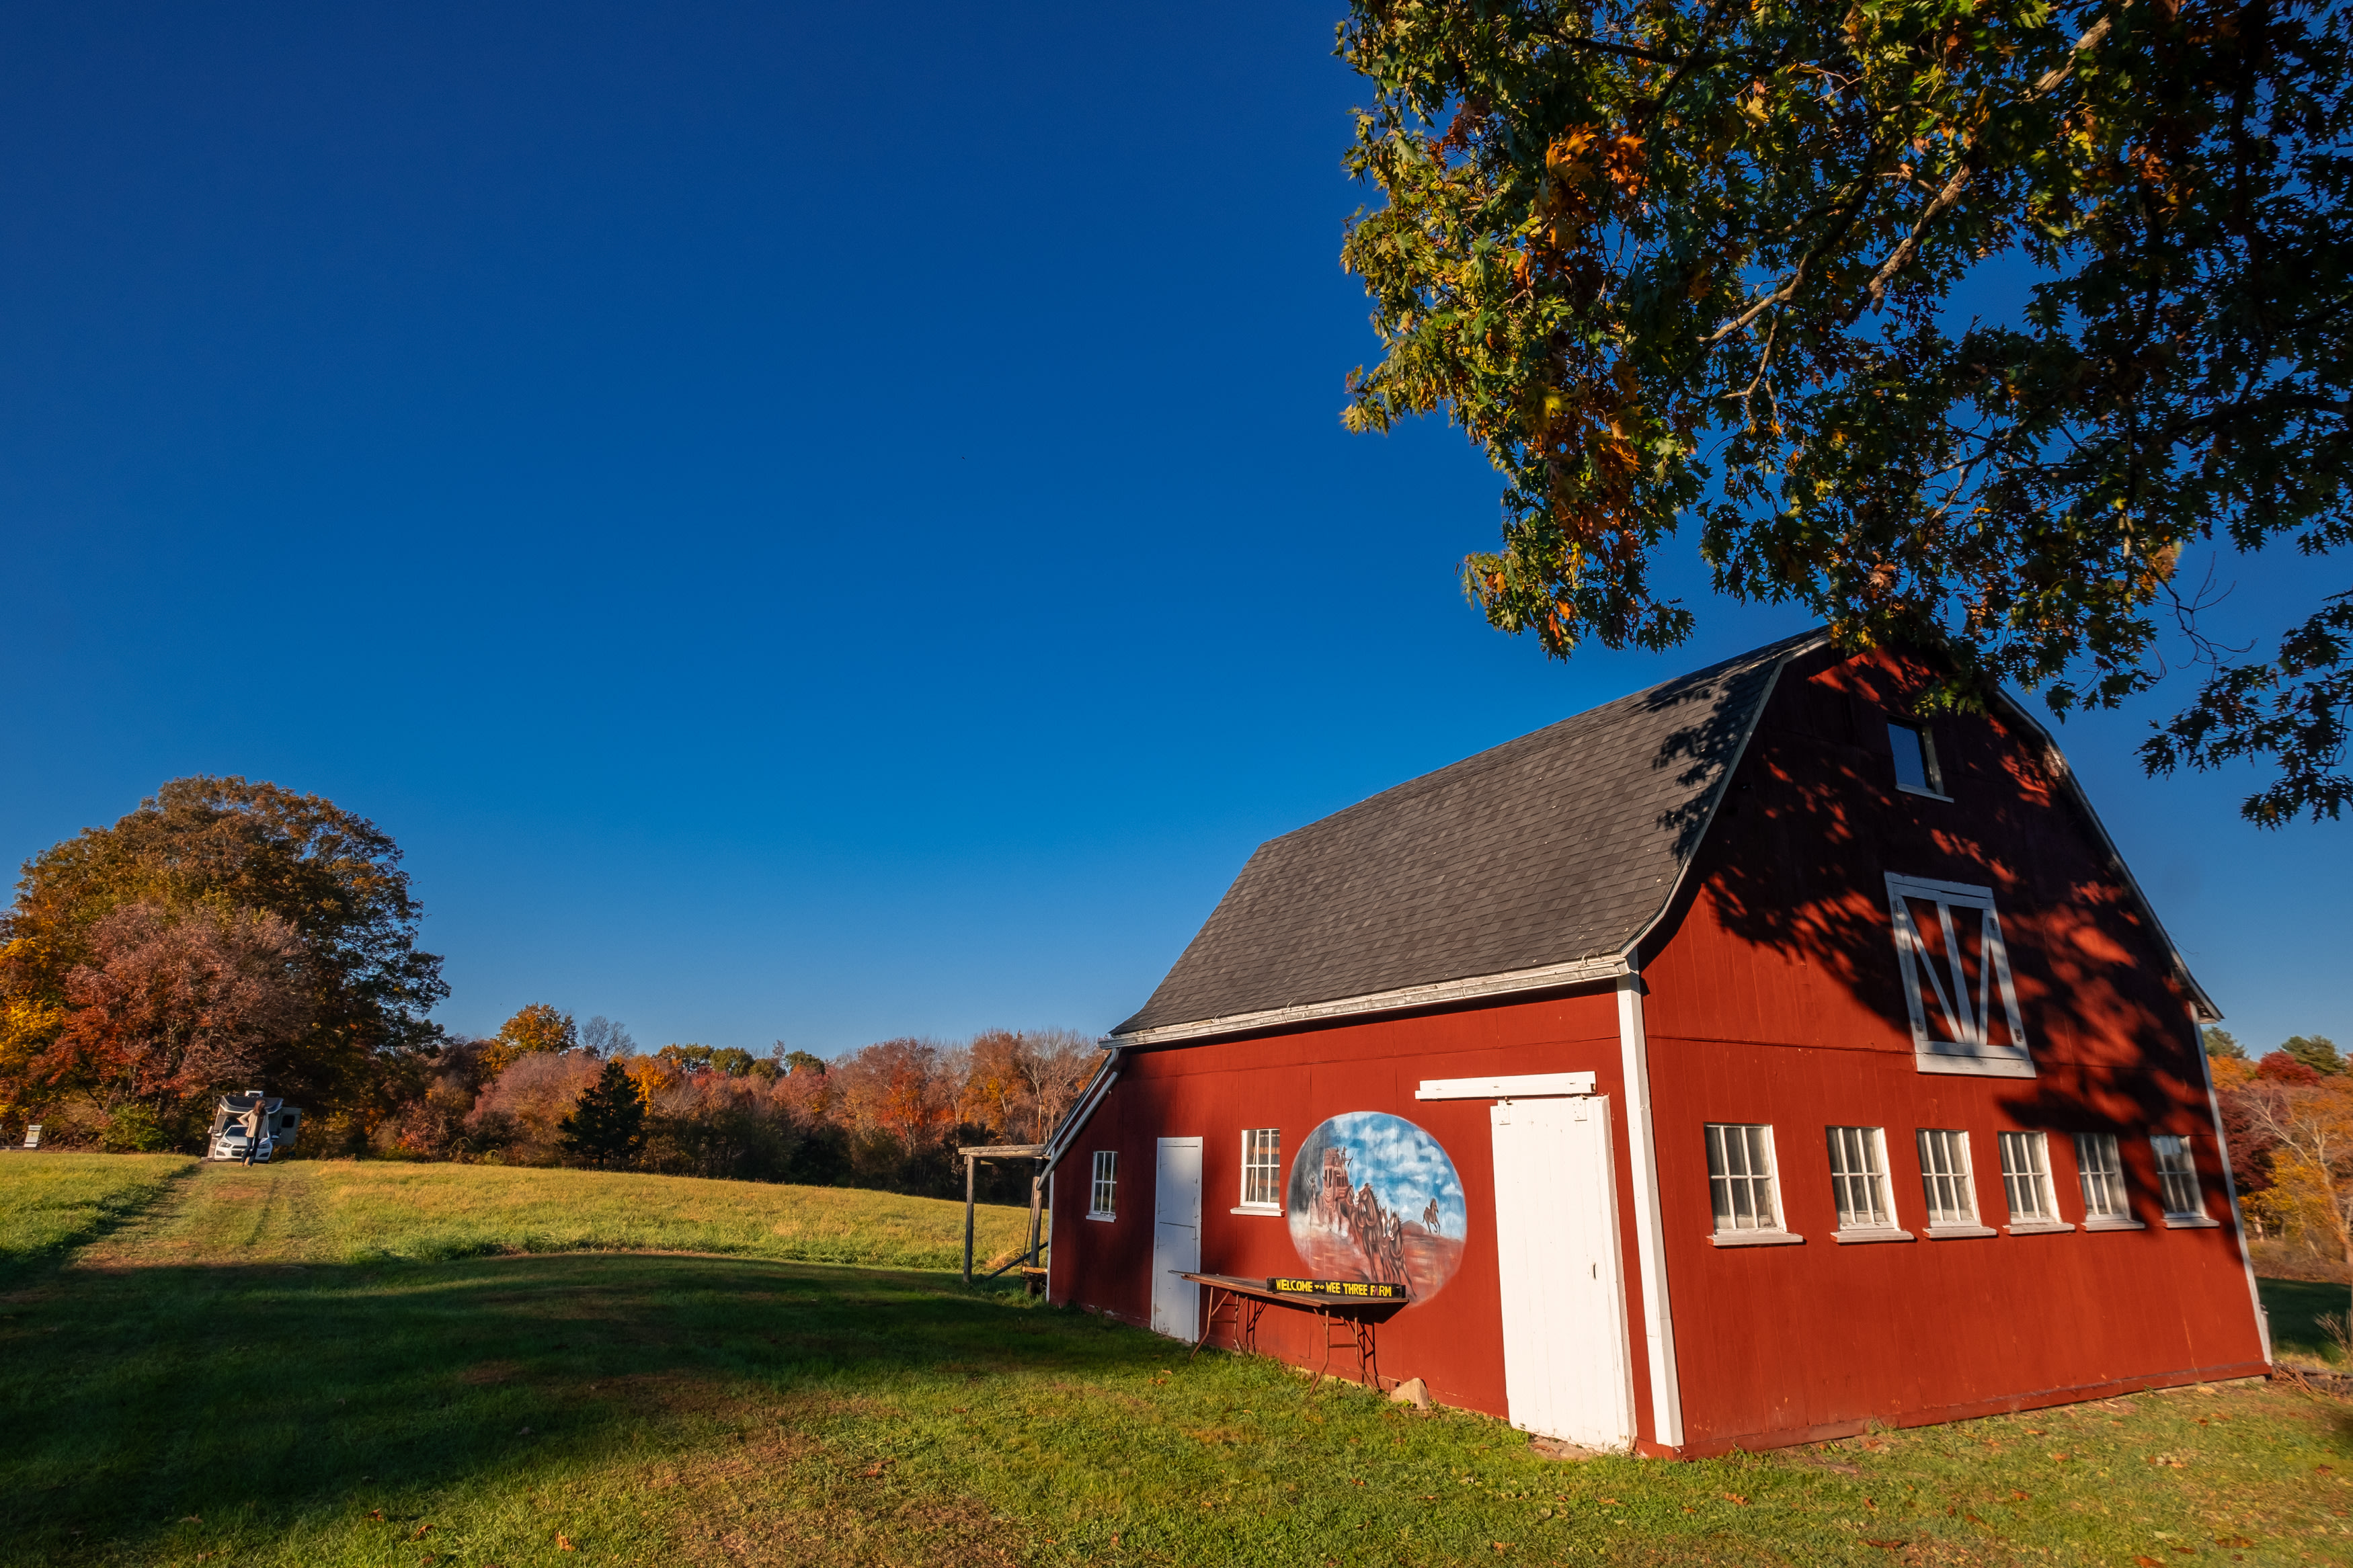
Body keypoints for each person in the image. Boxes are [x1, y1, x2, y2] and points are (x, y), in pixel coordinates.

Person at [240, 1099, 268, 1165]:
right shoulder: (252, 1112)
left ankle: (250, 1163)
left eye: (264, 1103)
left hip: (260, 1133)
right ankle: (242, 1160)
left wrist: (265, 1132)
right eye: (262, 1103)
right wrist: (247, 1124)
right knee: (249, 1146)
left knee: (255, 1147)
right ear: (258, 1105)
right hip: (251, 1132)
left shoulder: (266, 1113)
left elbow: (267, 1123)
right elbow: (241, 1118)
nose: (264, 1105)